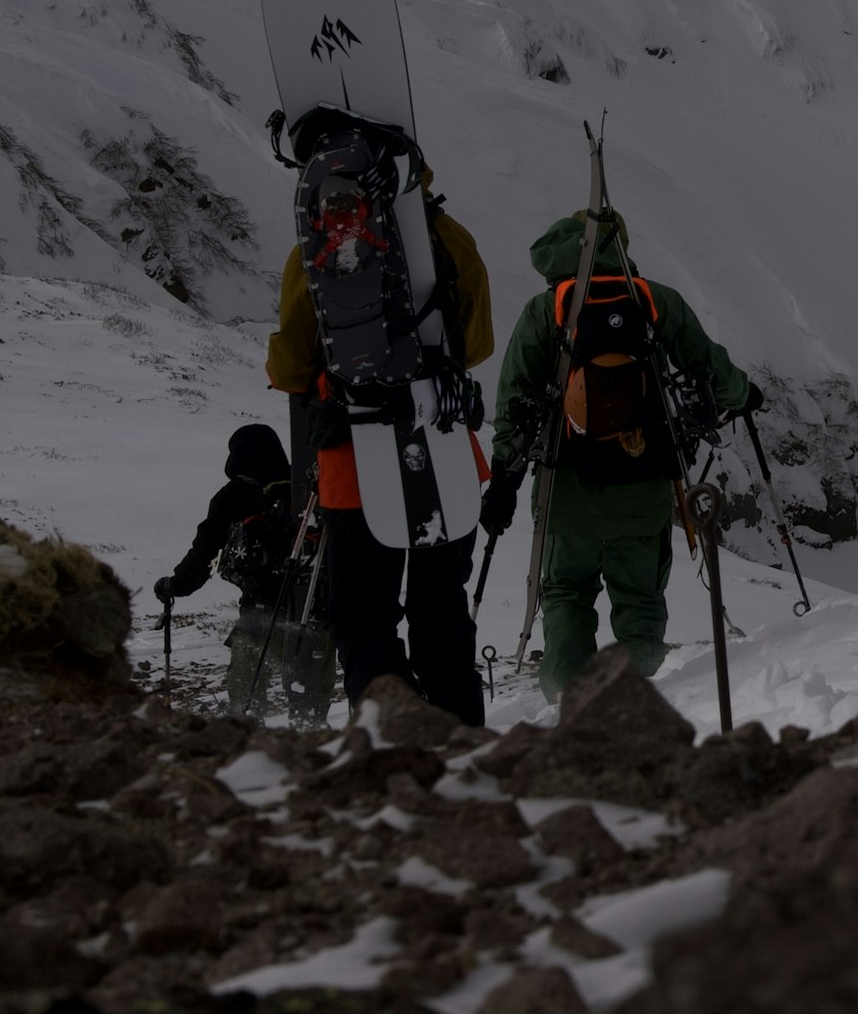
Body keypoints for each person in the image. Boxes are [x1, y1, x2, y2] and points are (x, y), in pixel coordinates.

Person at [478, 206, 757, 704]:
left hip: (567, 491)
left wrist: (504, 476)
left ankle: (567, 698)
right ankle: (636, 694)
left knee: (566, 595)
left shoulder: (546, 311)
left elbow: (513, 402)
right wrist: (744, 395)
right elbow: (709, 367)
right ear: (619, 245)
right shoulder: (654, 300)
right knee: (641, 600)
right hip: (643, 481)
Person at [264, 160, 495, 726]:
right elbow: (480, 344)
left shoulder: (315, 249)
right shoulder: (448, 238)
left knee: (363, 619)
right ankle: (462, 746)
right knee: (440, 613)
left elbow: (291, 369)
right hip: (442, 453)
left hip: (353, 466)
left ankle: (393, 741)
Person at [152, 421, 314, 715]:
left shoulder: (234, 495)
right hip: (313, 605)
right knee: (308, 693)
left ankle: (250, 742)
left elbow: (204, 552)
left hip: (260, 611)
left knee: (247, 691)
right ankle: (319, 739)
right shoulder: (305, 484)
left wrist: (174, 586)